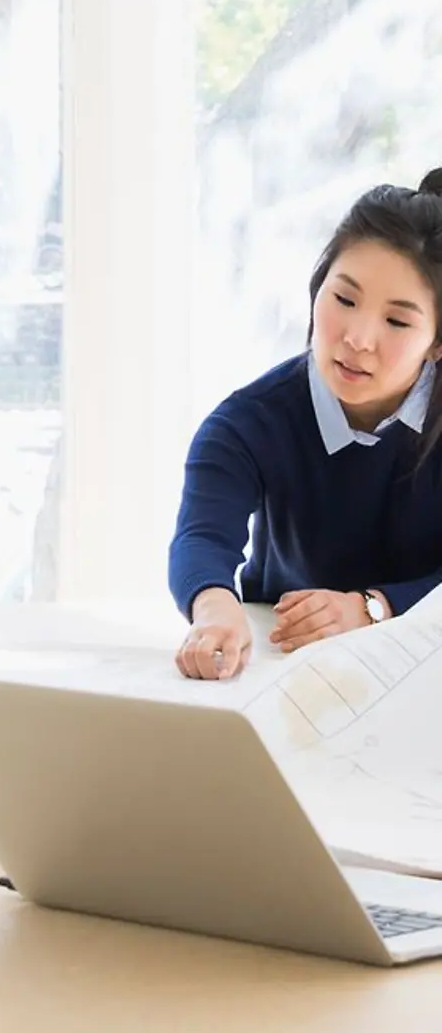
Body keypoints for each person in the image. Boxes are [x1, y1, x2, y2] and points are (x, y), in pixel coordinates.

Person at [170, 170, 442, 681]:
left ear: (437, 343)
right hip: (288, 672)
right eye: (344, 299)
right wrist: (214, 609)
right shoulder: (247, 422)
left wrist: (371, 608)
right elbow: (202, 538)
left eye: (398, 321)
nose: (358, 338)